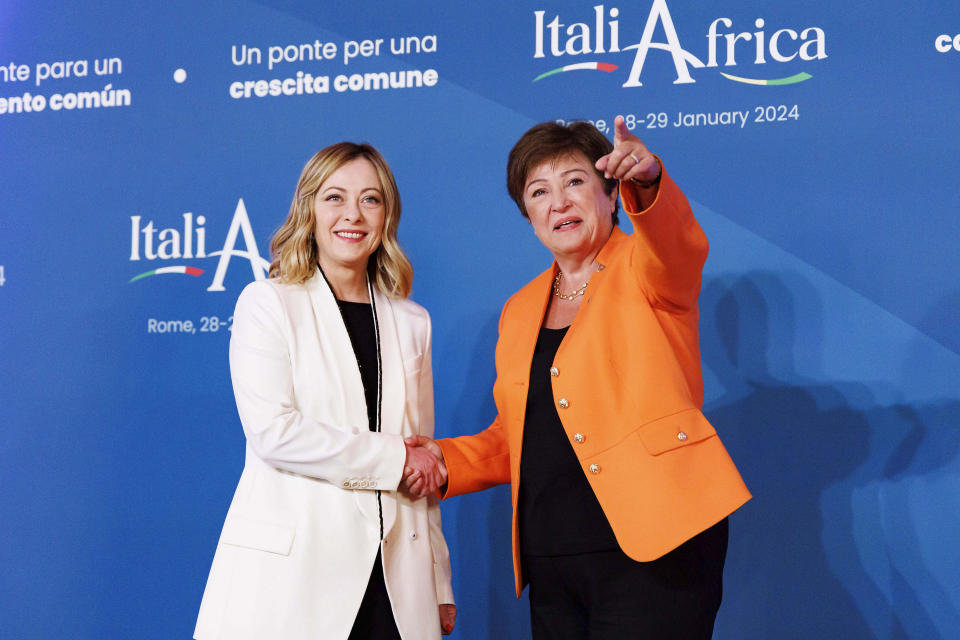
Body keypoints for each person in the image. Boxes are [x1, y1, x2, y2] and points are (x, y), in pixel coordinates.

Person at [405, 117, 751, 638]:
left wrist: (650, 181)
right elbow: (520, 435)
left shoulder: (647, 267)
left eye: (574, 182)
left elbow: (679, 243)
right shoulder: (519, 309)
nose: (559, 203)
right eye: (539, 191)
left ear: (611, 194)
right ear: (529, 217)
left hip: (656, 542)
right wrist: (443, 460)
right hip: (553, 558)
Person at [195, 142, 456, 640]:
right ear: (308, 209)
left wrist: (438, 578)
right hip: (296, 580)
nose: (352, 215)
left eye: (370, 199)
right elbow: (275, 433)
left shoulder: (413, 322)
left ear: (387, 215)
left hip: (397, 581)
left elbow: (421, 458)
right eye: (334, 197)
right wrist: (394, 458)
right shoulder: (268, 303)